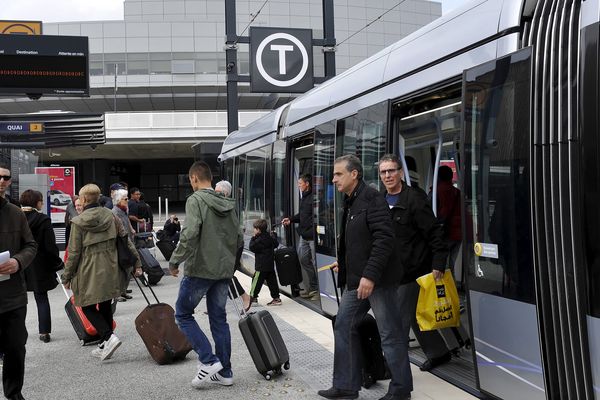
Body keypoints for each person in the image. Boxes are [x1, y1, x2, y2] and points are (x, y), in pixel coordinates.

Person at [318, 154, 398, 400]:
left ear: (354, 174)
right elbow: (358, 240)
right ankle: (345, 386)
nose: (333, 179)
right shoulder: (351, 200)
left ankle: (400, 389)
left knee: (389, 334)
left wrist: (370, 276)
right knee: (343, 325)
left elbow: (384, 240)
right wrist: (344, 263)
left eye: (338, 174)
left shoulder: (372, 198)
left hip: (376, 280)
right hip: (357, 280)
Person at [169, 161, 242, 388]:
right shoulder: (228, 202)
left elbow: (190, 234)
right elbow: (239, 237)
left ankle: (208, 360)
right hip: (223, 271)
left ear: (194, 179)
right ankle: (225, 372)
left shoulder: (196, 200)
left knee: (182, 314)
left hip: (200, 269)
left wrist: (174, 260)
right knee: (219, 319)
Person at [378, 154, 451, 375]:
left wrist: (438, 263)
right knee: (413, 317)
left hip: (413, 272)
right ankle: (439, 352)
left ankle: (393, 370)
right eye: (384, 172)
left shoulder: (414, 199)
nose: (388, 175)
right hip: (390, 273)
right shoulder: (381, 200)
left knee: (397, 324)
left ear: (400, 172)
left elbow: (435, 233)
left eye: (392, 171)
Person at [62, 183, 141, 362]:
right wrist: (137, 263)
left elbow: (73, 253)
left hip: (87, 269)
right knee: (105, 302)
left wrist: (66, 276)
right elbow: (125, 241)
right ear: (99, 198)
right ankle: (105, 343)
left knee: (86, 305)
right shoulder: (112, 216)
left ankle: (108, 336)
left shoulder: (78, 222)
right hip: (110, 265)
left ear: (82, 200)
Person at [0, 162, 38, 400]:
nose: (1, 181)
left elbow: (31, 245)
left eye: (5, 177)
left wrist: (18, 261)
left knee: (15, 349)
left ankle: (14, 394)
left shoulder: (15, 213)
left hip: (12, 296)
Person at [21, 190, 63, 344]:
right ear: (37, 202)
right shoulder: (43, 220)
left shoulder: (15, 217)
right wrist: (56, 263)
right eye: (41, 200)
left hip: (19, 263)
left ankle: (18, 332)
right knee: (41, 298)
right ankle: (44, 332)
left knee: (19, 300)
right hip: (39, 265)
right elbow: (50, 246)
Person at [215, 180, 251, 312]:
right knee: (222, 275)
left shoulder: (227, 207)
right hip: (230, 245)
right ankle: (218, 304)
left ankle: (245, 297)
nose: (215, 194)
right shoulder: (223, 205)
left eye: (217, 192)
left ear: (225, 193)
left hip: (234, 246)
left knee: (226, 274)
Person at [282, 173, 318, 300]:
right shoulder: (304, 197)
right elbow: (302, 215)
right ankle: (312, 288)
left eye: (300, 184)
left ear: (307, 184)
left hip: (313, 236)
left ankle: (316, 291)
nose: (298, 186)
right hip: (304, 235)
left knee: (316, 263)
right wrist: (290, 220)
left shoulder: (314, 198)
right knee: (303, 259)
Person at [111, 188, 141, 302]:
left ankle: (123, 291)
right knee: (121, 270)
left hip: (128, 240)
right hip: (122, 243)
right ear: (119, 200)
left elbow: (127, 220)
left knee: (128, 269)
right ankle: (117, 293)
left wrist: (132, 229)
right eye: (125, 199)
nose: (127, 201)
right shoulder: (115, 212)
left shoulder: (123, 210)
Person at [249, 219, 281, 306]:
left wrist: (253, 237)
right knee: (272, 282)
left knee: (256, 281)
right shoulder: (269, 237)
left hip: (261, 266)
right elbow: (276, 244)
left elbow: (251, 247)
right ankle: (276, 298)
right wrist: (274, 236)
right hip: (270, 265)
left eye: (254, 229)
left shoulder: (258, 240)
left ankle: (253, 298)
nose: (253, 230)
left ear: (258, 230)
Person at [436, 165, 462, 268]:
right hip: (458, 234)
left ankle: (446, 284)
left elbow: (440, 213)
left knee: (442, 267)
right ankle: (453, 284)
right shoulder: (457, 192)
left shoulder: (437, 192)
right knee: (451, 265)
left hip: (446, 233)